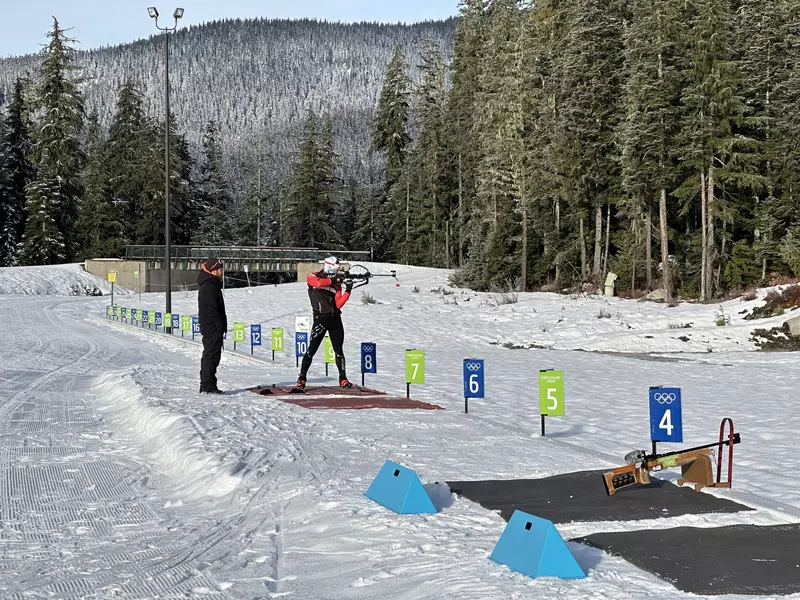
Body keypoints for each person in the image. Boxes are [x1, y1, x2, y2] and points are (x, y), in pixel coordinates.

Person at [296, 256, 354, 390]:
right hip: (320, 319)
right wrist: (333, 280)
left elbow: (338, 304)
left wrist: (348, 291)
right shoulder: (313, 276)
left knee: (339, 350)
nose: (337, 271)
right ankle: (302, 376)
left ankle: (343, 378)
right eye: (336, 269)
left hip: (335, 319)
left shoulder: (336, 283)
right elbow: (318, 283)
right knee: (312, 349)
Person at [197, 258, 227, 394]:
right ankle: (207, 385)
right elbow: (213, 308)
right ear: (213, 271)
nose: (222, 272)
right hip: (212, 327)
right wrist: (219, 326)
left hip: (211, 326)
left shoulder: (210, 284)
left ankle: (208, 384)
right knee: (211, 356)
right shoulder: (210, 286)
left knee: (212, 356)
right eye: (220, 270)